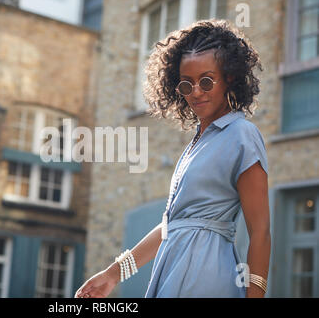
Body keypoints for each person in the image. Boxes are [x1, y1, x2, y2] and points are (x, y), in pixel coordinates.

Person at [75, 19, 271, 298]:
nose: (196, 92)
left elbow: (260, 230)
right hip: (172, 267)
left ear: (229, 77)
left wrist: (255, 296)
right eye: (186, 85)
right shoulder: (198, 142)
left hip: (207, 273)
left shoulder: (242, 135)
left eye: (206, 81)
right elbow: (172, 226)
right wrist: (112, 275)